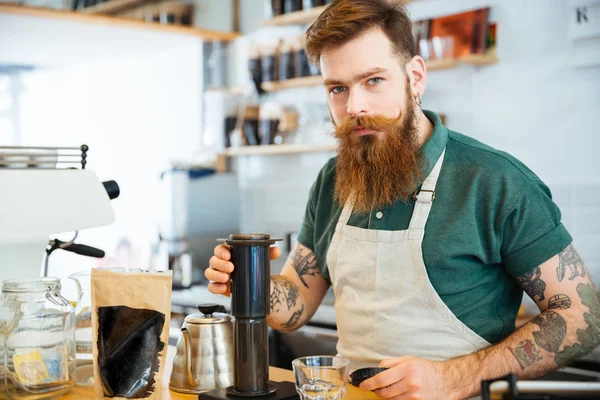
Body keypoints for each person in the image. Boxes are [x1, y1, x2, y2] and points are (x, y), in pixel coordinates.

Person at [206, 1, 600, 399]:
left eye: (373, 80)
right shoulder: (333, 179)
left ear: (414, 77)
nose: (354, 107)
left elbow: (582, 317)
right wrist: (247, 283)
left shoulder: (495, 181)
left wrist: (456, 377)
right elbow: (297, 305)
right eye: (337, 88)